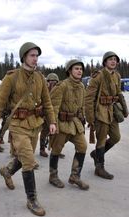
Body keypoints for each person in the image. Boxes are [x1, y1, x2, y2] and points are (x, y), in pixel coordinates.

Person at [0, 42, 56, 216]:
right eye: (32, 55)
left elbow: (47, 102)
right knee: (28, 160)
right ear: (24, 57)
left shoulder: (40, 78)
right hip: (18, 125)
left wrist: (52, 121)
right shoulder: (12, 78)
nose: (35, 59)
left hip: (35, 124)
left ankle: (7, 171)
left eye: (37, 56)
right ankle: (32, 200)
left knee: (23, 156)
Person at [85, 51, 129, 180]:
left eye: (115, 59)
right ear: (105, 62)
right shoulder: (97, 77)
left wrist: (125, 109)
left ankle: (96, 154)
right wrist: (90, 118)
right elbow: (89, 99)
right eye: (110, 59)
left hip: (113, 111)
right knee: (101, 139)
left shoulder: (117, 76)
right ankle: (99, 168)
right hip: (101, 112)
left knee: (116, 137)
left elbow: (119, 93)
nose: (113, 61)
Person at [48, 59, 89, 190]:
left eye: (81, 69)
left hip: (75, 123)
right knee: (56, 150)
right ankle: (53, 176)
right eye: (76, 68)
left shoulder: (82, 86)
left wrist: (83, 118)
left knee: (82, 146)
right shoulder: (62, 86)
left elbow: (82, 106)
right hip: (62, 123)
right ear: (69, 71)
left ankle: (75, 176)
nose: (79, 71)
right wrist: (53, 123)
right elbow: (53, 107)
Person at [39, 73, 66, 159]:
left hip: (55, 115)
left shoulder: (59, 90)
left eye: (54, 82)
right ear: (48, 82)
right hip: (45, 115)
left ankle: (56, 151)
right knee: (44, 132)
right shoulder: (43, 90)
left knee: (56, 134)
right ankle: (42, 149)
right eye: (50, 82)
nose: (52, 84)